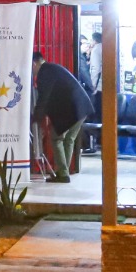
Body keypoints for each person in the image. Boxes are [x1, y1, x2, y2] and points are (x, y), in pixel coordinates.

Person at [32, 50, 94, 184]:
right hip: (82, 106)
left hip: (72, 109)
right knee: (69, 139)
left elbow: (44, 98)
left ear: (34, 63)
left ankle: (63, 173)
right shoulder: (52, 68)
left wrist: (36, 118)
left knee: (57, 139)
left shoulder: (44, 73)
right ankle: (63, 173)